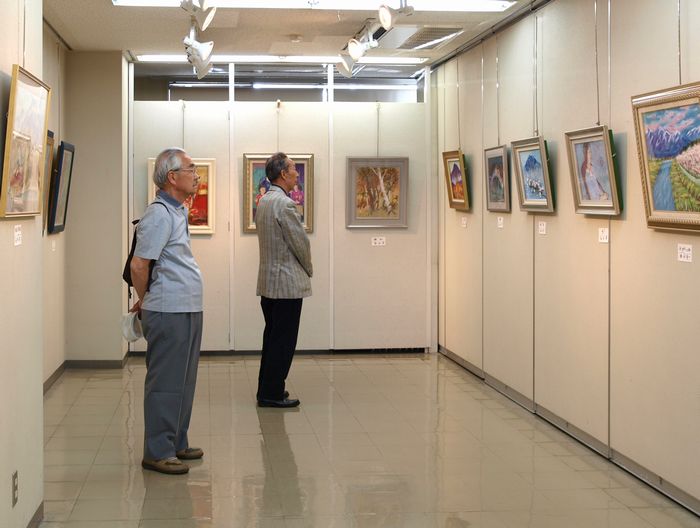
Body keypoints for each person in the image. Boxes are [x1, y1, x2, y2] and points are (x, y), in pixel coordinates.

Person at [130, 147, 204, 475]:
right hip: (168, 309)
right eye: (191, 169)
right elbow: (139, 264)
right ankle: (158, 451)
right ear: (172, 177)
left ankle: (176, 441)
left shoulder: (177, 211)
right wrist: (146, 300)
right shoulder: (159, 213)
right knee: (165, 382)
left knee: (184, 381)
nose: (196, 175)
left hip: (186, 306)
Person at [255, 152, 313, 408]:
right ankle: (272, 393)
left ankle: (267, 388)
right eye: (292, 168)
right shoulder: (285, 204)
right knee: (283, 342)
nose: (296, 173)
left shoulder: (265, 200)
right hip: (287, 284)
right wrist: (309, 269)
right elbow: (300, 243)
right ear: (282, 174)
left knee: (272, 338)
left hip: (269, 283)